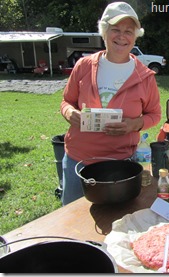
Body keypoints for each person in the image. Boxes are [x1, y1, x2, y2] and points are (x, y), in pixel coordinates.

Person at [60, 2, 161, 206]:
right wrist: (70, 113)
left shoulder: (145, 76)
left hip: (121, 166)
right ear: (104, 31)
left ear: (135, 36)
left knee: (115, 225)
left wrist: (133, 125)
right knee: (70, 225)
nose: (122, 36)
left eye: (128, 31)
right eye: (115, 29)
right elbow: (66, 101)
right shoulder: (84, 65)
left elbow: (155, 114)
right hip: (77, 161)